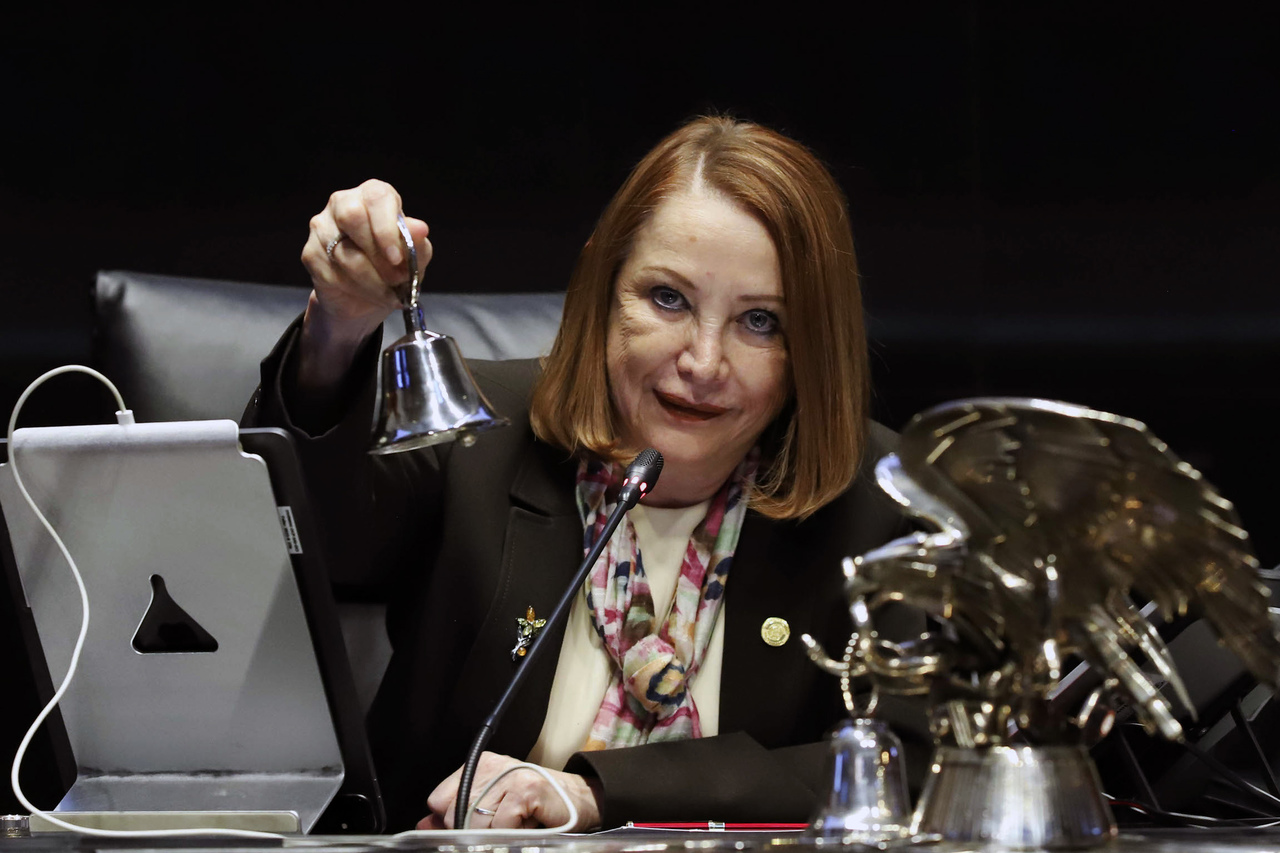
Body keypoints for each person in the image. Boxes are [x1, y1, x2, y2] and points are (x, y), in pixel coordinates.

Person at [243, 116, 926, 832]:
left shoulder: (884, 503)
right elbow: (305, 539)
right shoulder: (476, 432)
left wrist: (591, 795)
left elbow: (913, 763)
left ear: (811, 342)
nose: (703, 363)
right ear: (605, 288)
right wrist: (339, 327)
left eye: (760, 321)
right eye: (668, 299)